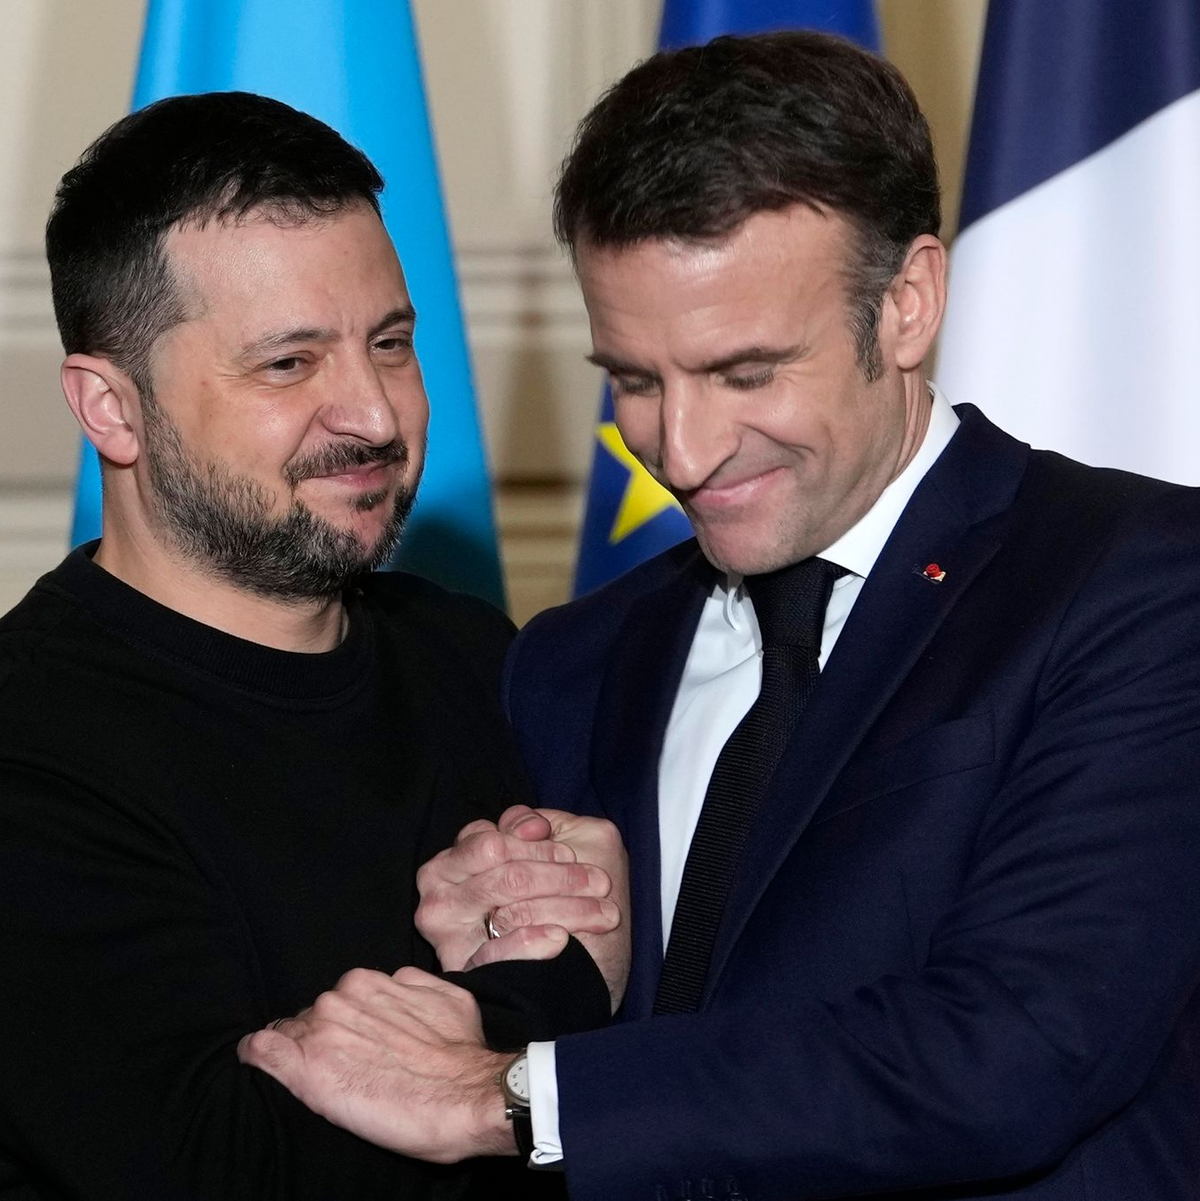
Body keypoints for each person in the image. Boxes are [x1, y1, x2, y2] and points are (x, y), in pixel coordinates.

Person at [240, 32, 1200, 1201]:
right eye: (635, 380)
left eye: (745, 373)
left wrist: (508, 1094)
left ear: (906, 304)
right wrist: (508, 951)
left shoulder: (1140, 583)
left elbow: (1016, 1048)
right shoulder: (572, 661)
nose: (682, 452)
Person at [0, 91, 620, 1200]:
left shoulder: (471, 652)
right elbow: (218, 1169)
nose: (375, 415)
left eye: (391, 343)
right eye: (289, 363)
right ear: (111, 409)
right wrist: (567, 985)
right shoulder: (31, 751)